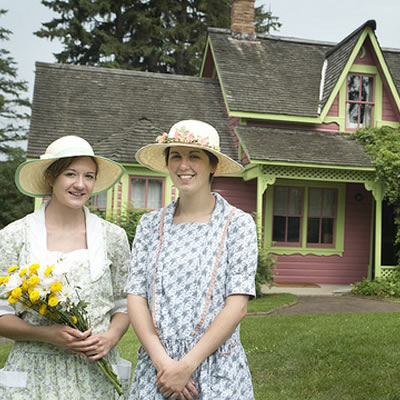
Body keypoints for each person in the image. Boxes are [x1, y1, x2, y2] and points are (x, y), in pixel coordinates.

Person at [125, 120, 258, 399]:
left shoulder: (238, 225)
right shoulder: (150, 226)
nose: (183, 165)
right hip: (158, 371)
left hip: (217, 367)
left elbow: (238, 305)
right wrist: (166, 365)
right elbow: (136, 297)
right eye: (176, 156)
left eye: (194, 156)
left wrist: (187, 365)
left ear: (213, 165)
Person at [0, 135, 131, 399]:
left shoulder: (113, 237)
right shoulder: (14, 236)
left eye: (89, 176)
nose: (80, 184)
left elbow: (124, 305)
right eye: (70, 174)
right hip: (34, 375)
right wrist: (47, 334)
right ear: (51, 177)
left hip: (95, 376)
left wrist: (111, 337)